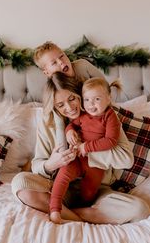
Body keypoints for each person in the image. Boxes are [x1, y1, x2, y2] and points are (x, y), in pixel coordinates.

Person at [11, 72, 150, 224]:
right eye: (60, 104)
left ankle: (69, 214)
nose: (69, 107)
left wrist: (86, 151)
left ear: (80, 95)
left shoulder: (105, 115)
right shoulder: (47, 123)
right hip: (61, 187)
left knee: (140, 210)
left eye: (72, 99)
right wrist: (52, 163)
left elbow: (126, 159)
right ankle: (77, 215)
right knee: (20, 182)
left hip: (98, 188)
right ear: (54, 106)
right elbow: (37, 165)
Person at [49, 76, 122, 224]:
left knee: (89, 191)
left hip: (95, 163)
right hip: (76, 158)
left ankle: (79, 209)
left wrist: (86, 147)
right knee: (63, 174)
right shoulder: (84, 114)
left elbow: (111, 141)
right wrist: (69, 131)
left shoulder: (110, 117)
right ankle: (55, 210)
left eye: (97, 99)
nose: (91, 104)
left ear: (108, 99)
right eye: (87, 100)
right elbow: (73, 125)